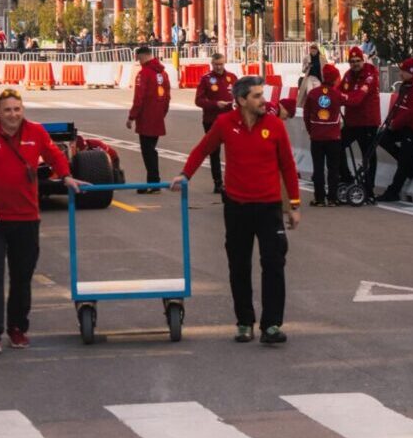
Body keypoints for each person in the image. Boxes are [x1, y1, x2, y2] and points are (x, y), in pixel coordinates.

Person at [171, 76, 300, 345]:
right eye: (256, 96)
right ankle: (244, 322)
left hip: (269, 208)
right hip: (237, 207)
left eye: (262, 94)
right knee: (239, 266)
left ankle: (272, 325)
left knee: (274, 263)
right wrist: (185, 175)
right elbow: (203, 149)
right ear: (241, 100)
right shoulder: (225, 124)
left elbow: (288, 165)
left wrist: (294, 206)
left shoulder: (275, 125)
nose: (263, 100)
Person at [0, 89, 83, 354]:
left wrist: (66, 176)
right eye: (7, 110)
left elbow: (55, 155)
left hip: (27, 219)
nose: (13, 114)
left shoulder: (36, 132)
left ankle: (18, 329)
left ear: (23, 110)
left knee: (22, 277)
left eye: (17, 109)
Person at [376, 57, 413, 202]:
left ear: (411, 72)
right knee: (381, 138)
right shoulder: (406, 85)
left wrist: (394, 124)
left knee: (403, 161)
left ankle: (393, 191)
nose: (400, 74)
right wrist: (390, 121)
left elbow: (412, 113)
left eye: (403, 71)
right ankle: (408, 161)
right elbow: (399, 105)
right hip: (403, 125)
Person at [337, 46, 381, 199]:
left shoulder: (370, 75)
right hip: (352, 122)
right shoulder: (348, 75)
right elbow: (338, 91)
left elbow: (357, 98)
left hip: (368, 122)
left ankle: (369, 188)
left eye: (357, 61)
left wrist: (343, 98)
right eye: (352, 61)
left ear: (363, 60)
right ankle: (347, 178)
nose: (355, 64)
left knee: (368, 155)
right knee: (336, 146)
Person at [126, 45, 171, 194]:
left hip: (146, 118)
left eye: (139, 59)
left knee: (148, 151)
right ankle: (153, 181)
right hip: (158, 117)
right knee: (151, 149)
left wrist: (132, 117)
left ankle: (153, 182)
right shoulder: (163, 73)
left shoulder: (144, 73)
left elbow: (139, 98)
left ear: (143, 56)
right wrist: (162, 113)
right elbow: (167, 97)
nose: (139, 62)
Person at [192, 53, 237, 194]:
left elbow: (241, 96)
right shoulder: (206, 79)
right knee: (214, 153)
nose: (219, 67)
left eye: (221, 64)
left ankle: (234, 182)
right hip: (212, 121)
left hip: (231, 120)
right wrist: (216, 104)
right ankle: (218, 183)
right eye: (216, 64)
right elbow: (198, 101)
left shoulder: (232, 78)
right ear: (212, 64)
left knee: (234, 152)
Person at [304, 64, 346, 206]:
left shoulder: (313, 93)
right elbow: (353, 101)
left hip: (317, 137)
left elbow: (306, 115)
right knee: (333, 169)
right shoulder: (337, 94)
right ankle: (333, 198)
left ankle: (319, 198)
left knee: (318, 168)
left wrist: (312, 131)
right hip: (333, 138)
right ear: (335, 79)